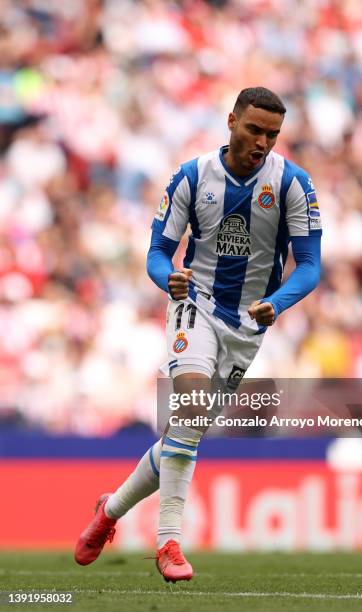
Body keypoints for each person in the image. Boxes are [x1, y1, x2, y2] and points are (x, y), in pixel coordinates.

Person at [74, 86, 322, 581]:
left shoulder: (293, 184)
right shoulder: (191, 177)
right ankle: (169, 543)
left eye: (272, 134)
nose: (263, 142)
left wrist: (276, 303)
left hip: (248, 326)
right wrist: (167, 277)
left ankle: (110, 511)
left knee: (182, 436)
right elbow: (157, 253)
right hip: (196, 306)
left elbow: (310, 265)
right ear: (231, 121)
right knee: (187, 415)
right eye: (254, 130)